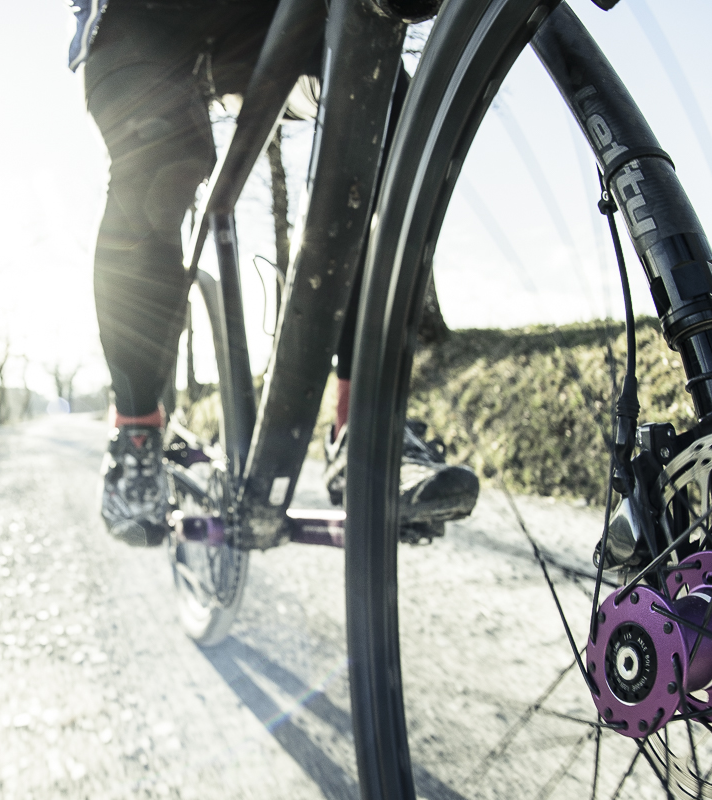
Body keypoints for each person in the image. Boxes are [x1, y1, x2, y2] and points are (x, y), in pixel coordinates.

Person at [70, 0, 478, 547]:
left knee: (386, 112)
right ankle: (137, 434)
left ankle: (362, 425)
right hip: (135, 17)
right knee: (154, 164)